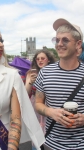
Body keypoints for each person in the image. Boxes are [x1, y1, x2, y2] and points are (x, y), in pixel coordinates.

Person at [34, 18, 84, 149]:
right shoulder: (45, 72)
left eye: (65, 40)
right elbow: (38, 104)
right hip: (52, 144)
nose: (59, 44)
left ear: (78, 44)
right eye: (57, 40)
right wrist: (51, 112)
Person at [25, 50, 55, 150]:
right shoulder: (31, 73)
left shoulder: (54, 73)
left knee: (49, 129)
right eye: (38, 59)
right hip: (35, 106)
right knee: (36, 130)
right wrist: (30, 82)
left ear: (49, 60)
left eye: (43, 58)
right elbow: (24, 93)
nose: (40, 61)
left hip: (49, 105)